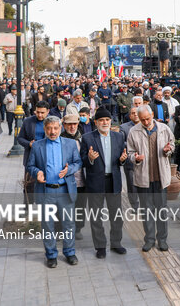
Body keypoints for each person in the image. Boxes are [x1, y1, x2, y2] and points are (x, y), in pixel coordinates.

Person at [26, 116, 82, 268]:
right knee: (47, 225)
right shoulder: (37, 146)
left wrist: (68, 169)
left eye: (55, 128)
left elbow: (78, 162)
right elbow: (29, 165)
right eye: (49, 128)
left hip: (65, 190)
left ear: (60, 128)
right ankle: (51, 254)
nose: (52, 131)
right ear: (45, 129)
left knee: (69, 224)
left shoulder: (70, 144)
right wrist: (36, 172)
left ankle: (70, 252)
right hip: (46, 192)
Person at [80, 107, 128, 259]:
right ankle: (100, 246)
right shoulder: (88, 138)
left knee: (116, 215)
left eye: (107, 120)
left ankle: (116, 243)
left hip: (113, 181)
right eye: (101, 120)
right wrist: (90, 158)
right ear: (96, 122)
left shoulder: (118, 136)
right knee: (96, 216)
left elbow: (122, 157)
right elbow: (82, 161)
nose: (105, 122)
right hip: (95, 183)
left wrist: (122, 160)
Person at [126, 105, 175, 252]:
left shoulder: (164, 128)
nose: (146, 122)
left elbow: (172, 144)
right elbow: (130, 152)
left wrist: (168, 150)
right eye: (142, 120)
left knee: (161, 210)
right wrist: (135, 158)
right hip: (144, 178)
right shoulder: (133, 132)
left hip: (161, 178)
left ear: (152, 114)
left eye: (148, 119)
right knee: (146, 210)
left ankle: (162, 240)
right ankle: (149, 239)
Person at [17, 100, 50, 203]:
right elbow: (20, 138)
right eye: (37, 112)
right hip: (31, 158)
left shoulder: (53, 122)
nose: (39, 115)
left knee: (46, 185)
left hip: (47, 158)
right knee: (29, 185)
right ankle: (27, 207)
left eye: (42, 112)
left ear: (48, 112)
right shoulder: (28, 121)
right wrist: (29, 144)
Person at [61, 113, 87, 240]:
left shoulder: (83, 139)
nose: (72, 127)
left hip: (81, 179)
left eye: (75, 124)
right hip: (65, 179)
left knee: (80, 206)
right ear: (64, 125)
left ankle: (78, 228)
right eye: (69, 124)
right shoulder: (59, 139)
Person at [119, 106, 140, 210]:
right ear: (129, 115)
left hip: (144, 161)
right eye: (132, 113)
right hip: (130, 161)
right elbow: (120, 142)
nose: (135, 114)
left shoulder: (145, 125)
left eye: (137, 113)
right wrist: (134, 144)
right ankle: (135, 206)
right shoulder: (124, 127)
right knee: (132, 185)